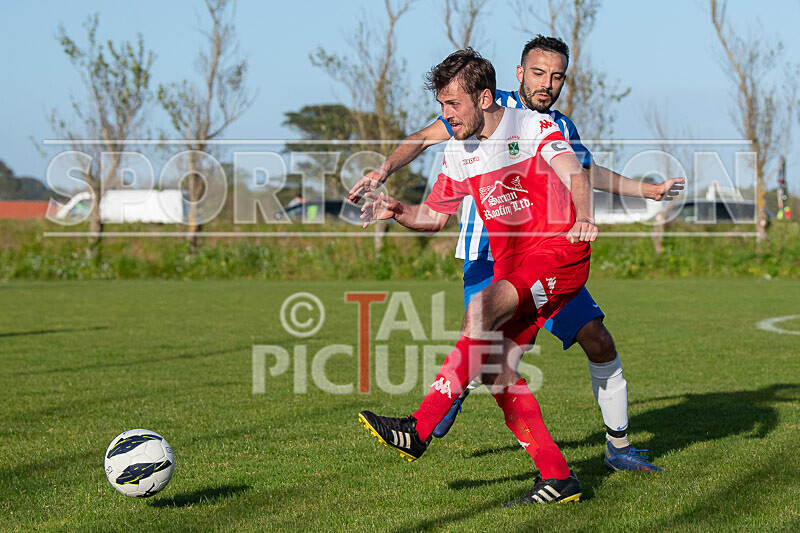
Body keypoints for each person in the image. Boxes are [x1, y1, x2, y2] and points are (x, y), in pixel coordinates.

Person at [350, 35, 683, 472]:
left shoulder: (551, 127)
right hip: (487, 257)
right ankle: (545, 469)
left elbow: (583, 173)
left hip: (549, 257)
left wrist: (643, 191)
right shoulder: (476, 109)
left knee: (593, 339)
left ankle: (612, 449)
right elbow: (425, 143)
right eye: (539, 73)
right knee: (492, 361)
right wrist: (386, 178)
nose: (547, 83)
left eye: (557, 76)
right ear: (519, 73)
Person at [359, 48, 597, 506]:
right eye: (442, 106)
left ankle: (418, 428)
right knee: (495, 369)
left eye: (453, 106)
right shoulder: (460, 151)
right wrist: (396, 210)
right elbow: (433, 217)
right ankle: (559, 477)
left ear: (485, 97)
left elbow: (576, 174)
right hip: (516, 267)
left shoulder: (531, 127)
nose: (446, 117)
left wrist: (584, 216)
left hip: (558, 254)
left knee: (480, 309)